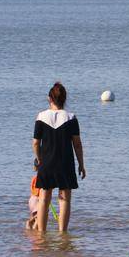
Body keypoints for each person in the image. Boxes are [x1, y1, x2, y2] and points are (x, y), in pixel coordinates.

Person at [32, 82, 85, 233]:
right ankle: (62, 233)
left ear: (49, 98)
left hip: (46, 163)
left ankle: (41, 232)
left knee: (44, 199)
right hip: (65, 163)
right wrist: (81, 164)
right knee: (65, 199)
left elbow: (36, 143)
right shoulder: (71, 117)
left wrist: (38, 159)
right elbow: (77, 144)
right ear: (64, 99)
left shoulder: (41, 117)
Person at [26, 161, 41, 229]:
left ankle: (29, 228)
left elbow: (33, 190)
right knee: (39, 218)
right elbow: (38, 192)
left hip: (32, 200)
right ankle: (35, 232)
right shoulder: (41, 178)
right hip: (37, 200)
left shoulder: (34, 178)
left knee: (34, 217)